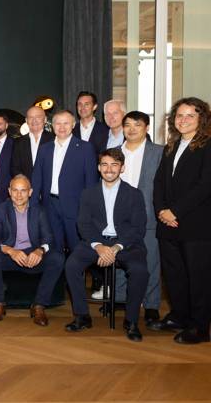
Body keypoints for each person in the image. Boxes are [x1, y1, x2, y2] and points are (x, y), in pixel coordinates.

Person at [65, 148, 148, 342]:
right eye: (104, 164)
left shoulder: (134, 194)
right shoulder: (88, 193)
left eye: (114, 165)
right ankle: (82, 316)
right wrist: (99, 246)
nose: (109, 169)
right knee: (71, 265)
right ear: (98, 168)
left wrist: (116, 247)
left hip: (126, 244)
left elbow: (138, 228)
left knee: (140, 271)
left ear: (122, 168)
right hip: (96, 242)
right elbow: (83, 224)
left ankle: (131, 321)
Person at [150, 97, 211, 344]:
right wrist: (161, 210)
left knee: (198, 278)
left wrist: (175, 210)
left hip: (196, 225)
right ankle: (179, 316)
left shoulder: (208, 146)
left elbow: (205, 185)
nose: (183, 120)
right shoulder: (171, 146)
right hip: (168, 224)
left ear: (201, 120)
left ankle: (199, 327)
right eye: (179, 115)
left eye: (190, 116)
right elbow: (159, 183)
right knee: (174, 275)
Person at [0, 174, 64, 326]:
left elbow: (48, 239)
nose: (19, 195)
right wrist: (10, 251)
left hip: (32, 256)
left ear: (30, 192)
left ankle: (39, 305)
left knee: (57, 258)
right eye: (15, 190)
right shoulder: (1, 209)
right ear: (9, 191)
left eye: (23, 190)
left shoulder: (39, 210)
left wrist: (40, 251)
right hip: (10, 256)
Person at [111, 111, 163, 322]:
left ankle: (151, 305)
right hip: (118, 216)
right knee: (120, 257)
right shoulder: (113, 153)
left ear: (147, 128)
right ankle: (121, 298)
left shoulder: (159, 152)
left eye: (137, 125)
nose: (132, 129)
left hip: (149, 214)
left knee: (151, 261)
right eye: (128, 125)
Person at [31, 110, 98, 253]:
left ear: (73, 124)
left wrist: (88, 210)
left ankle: (75, 276)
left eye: (66, 123)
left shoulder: (85, 148)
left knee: (77, 249)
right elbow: (36, 179)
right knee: (54, 249)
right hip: (49, 206)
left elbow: (91, 183)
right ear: (52, 126)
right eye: (58, 123)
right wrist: (34, 206)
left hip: (75, 207)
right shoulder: (44, 149)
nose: (62, 127)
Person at [11, 106, 54, 179]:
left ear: (45, 119)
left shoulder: (54, 140)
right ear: (26, 120)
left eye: (38, 117)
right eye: (31, 117)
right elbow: (14, 168)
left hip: (48, 188)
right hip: (27, 187)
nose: (34, 120)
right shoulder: (18, 142)